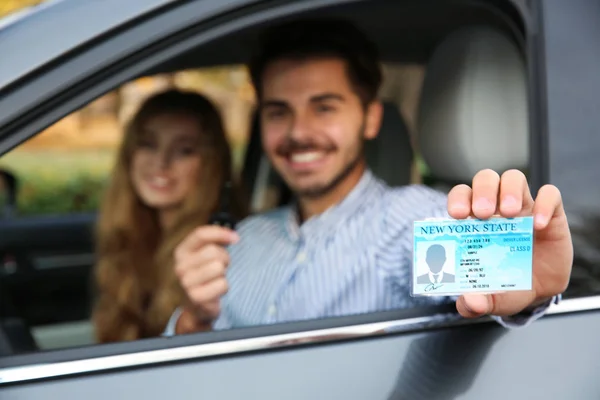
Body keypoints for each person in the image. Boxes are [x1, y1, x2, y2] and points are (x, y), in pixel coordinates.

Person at [166, 19, 572, 335]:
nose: (297, 132)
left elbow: (490, 270)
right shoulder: (244, 239)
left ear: (371, 118)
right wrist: (194, 320)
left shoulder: (401, 222)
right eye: (278, 111)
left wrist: (517, 267)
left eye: (324, 107)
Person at [92, 89, 247, 342]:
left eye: (184, 150)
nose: (161, 162)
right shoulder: (129, 238)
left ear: (211, 163)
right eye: (148, 144)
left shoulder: (223, 249)